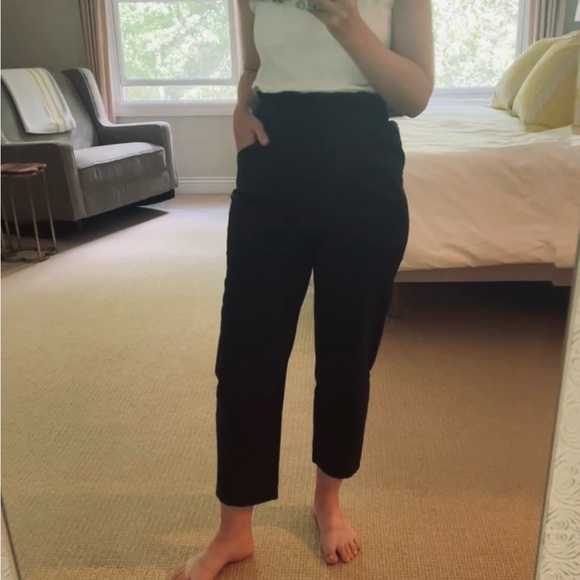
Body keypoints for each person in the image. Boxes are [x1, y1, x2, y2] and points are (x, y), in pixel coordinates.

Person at [172, 1, 433, 578]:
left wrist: (344, 19)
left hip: (363, 168)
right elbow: (254, 65)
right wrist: (240, 110)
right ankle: (234, 529)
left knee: (347, 354)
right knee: (245, 353)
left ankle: (328, 502)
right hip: (272, 160)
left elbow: (415, 94)